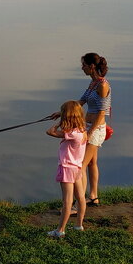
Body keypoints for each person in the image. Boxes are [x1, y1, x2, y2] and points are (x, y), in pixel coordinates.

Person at [45, 100, 88, 238]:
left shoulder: (71, 134)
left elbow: (50, 132)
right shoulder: (82, 131)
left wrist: (58, 122)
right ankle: (78, 225)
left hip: (67, 168)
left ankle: (60, 230)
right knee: (80, 197)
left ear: (67, 116)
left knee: (67, 201)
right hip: (77, 168)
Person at [78, 52, 111, 205]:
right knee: (91, 163)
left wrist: (90, 132)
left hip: (95, 130)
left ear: (92, 66)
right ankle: (93, 196)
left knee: (81, 165)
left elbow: (102, 112)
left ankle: (78, 204)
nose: (82, 68)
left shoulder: (103, 85)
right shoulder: (93, 83)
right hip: (89, 126)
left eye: (84, 65)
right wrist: (63, 112)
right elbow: (82, 101)